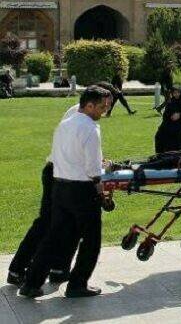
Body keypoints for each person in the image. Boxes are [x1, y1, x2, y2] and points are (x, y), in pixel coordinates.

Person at [6, 93, 108, 288]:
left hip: (61, 178)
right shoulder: (86, 122)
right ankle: (20, 269)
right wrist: (99, 185)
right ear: (90, 105)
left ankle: (50, 274)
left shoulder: (71, 120)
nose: (105, 111)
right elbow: (88, 164)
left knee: (62, 230)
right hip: (68, 179)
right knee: (53, 227)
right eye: (103, 106)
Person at [154, 86, 181, 153]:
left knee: (174, 138)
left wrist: (180, 115)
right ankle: (160, 155)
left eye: (178, 92)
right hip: (169, 124)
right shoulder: (170, 102)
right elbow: (165, 115)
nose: (176, 94)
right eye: (174, 93)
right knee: (159, 135)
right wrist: (171, 116)